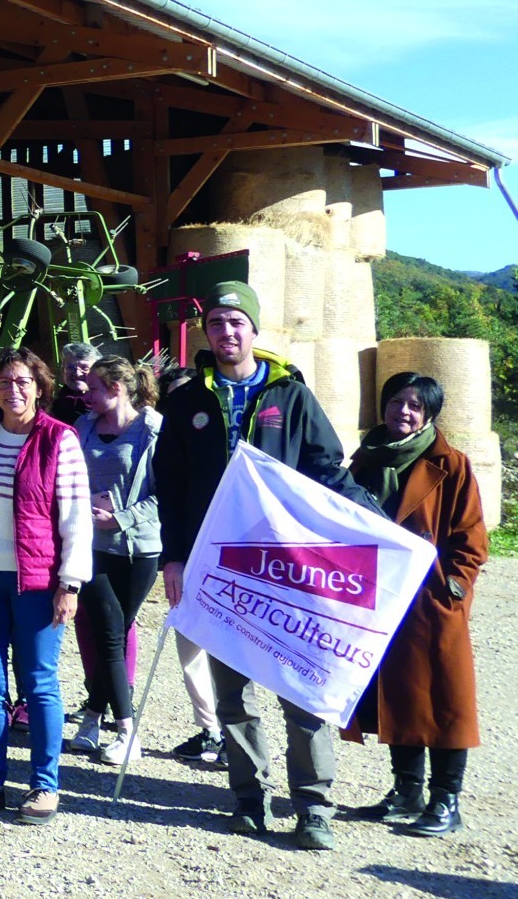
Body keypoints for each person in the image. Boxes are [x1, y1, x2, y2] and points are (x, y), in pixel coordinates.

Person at [156, 279, 376, 849]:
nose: (226, 333)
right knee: (233, 692)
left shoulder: (289, 396)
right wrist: (174, 556)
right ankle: (248, 798)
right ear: (205, 333)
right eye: (216, 324)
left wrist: (375, 524)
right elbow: (171, 486)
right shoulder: (187, 402)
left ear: (254, 329)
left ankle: (313, 806)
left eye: (237, 323)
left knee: (300, 687)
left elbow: (329, 469)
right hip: (218, 566)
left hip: (286, 568)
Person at [0, 348, 92, 826]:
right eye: (4, 381)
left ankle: (45, 785)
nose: (13, 390)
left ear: (40, 386)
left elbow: (75, 518)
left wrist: (69, 583)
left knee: (39, 683)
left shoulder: (60, 440)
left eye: (23, 381)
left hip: (38, 581)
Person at [346, 372, 486, 838]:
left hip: (430, 601)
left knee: (445, 699)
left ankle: (447, 800)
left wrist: (453, 589)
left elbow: (472, 540)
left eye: (415, 406)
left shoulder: (453, 465)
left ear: (429, 415)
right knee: (396, 693)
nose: (403, 412)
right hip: (379, 597)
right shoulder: (364, 462)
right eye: (396, 402)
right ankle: (406, 790)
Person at [68, 356, 162, 768]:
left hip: (140, 547)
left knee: (118, 629)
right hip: (92, 545)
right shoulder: (83, 427)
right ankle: (125, 729)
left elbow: (165, 493)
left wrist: (121, 517)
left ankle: (94, 715)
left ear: (117, 388)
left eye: (92, 387)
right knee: (107, 630)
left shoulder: (154, 430)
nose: (84, 393)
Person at [52, 341, 98, 425]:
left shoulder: (105, 406)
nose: (77, 373)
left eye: (85, 368)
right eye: (70, 367)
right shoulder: (53, 410)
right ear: (63, 371)